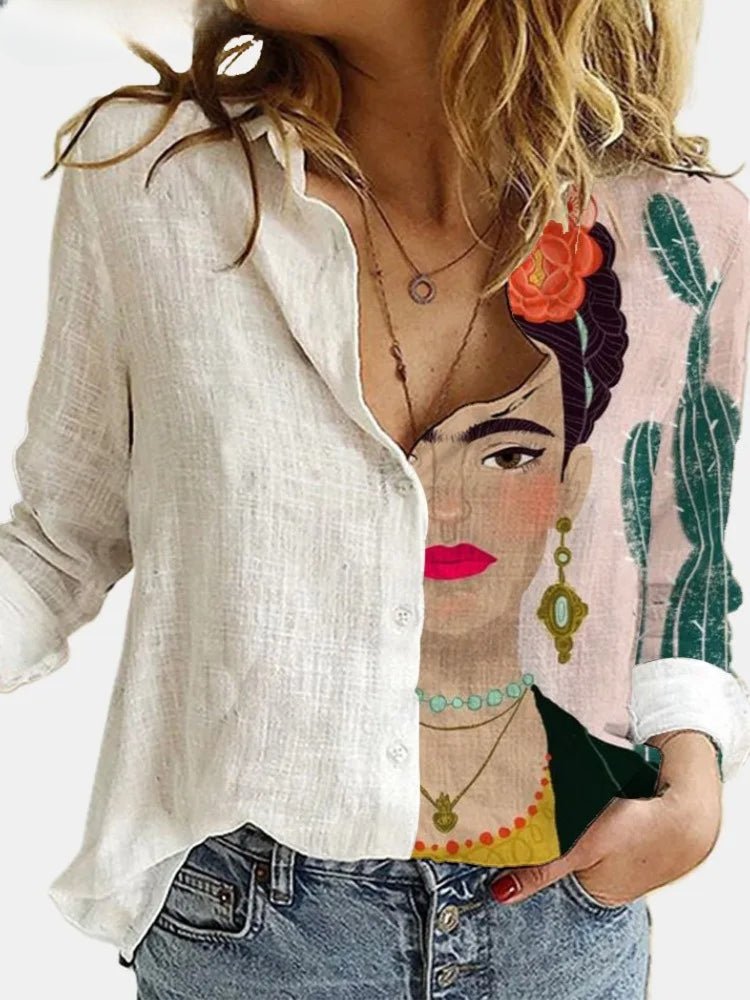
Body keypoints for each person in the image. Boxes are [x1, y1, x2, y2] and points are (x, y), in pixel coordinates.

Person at [1, 1, 749, 997]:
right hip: (254, 933)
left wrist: (692, 783)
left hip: (566, 920)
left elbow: (675, 565)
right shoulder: (154, 178)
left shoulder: (682, 229)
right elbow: (58, 543)